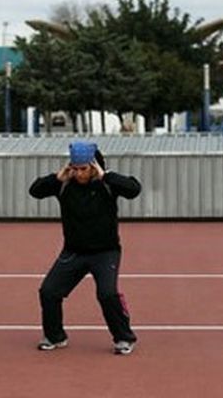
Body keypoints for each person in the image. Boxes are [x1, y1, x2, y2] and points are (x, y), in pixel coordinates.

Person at [29, 141, 142, 355]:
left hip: (105, 252)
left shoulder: (107, 184)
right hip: (74, 252)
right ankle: (55, 336)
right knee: (49, 292)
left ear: (93, 167)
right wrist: (56, 177)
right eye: (75, 168)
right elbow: (34, 191)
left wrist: (105, 175)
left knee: (107, 294)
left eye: (83, 169)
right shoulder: (64, 184)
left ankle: (124, 338)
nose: (78, 173)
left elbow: (134, 189)